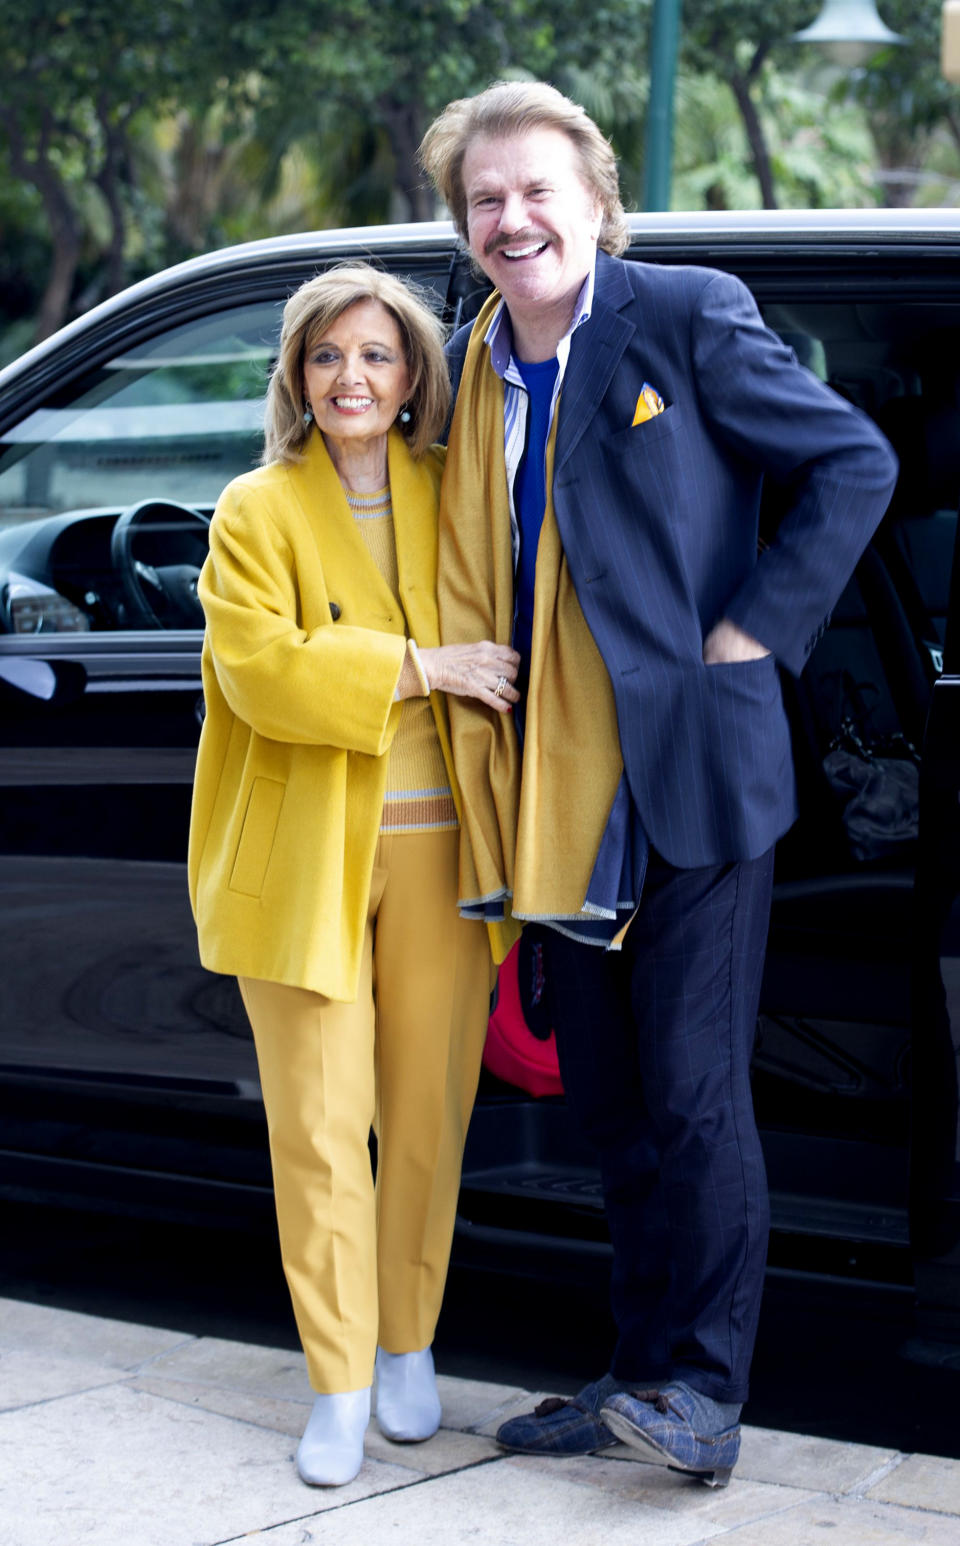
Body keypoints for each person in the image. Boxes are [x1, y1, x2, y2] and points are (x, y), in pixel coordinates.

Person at [420, 82, 898, 1487]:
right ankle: (635, 1368)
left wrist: (757, 630)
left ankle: (703, 1386)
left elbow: (852, 461)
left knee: (695, 1097)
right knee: (616, 1106)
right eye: (483, 200)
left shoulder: (681, 315)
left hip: (686, 777)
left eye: (534, 190)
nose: (512, 220)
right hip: (549, 788)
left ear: (596, 200)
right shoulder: (470, 363)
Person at [187, 264, 519, 1488]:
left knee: (426, 1115)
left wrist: (392, 660)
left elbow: (518, 645)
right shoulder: (253, 508)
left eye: (377, 355)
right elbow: (263, 671)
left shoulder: (458, 491)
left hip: (446, 855)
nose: (352, 379)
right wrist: (428, 667)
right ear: (297, 375)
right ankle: (335, 1382)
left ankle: (408, 1343)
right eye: (327, 356)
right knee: (321, 1132)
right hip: (303, 859)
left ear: (414, 373)